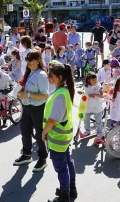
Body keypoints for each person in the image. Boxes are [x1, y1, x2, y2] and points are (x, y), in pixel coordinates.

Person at [42, 61, 77, 202]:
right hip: (64, 137)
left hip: (57, 139)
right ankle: (70, 189)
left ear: (60, 77)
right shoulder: (64, 90)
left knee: (61, 168)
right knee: (68, 162)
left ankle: (64, 196)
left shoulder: (60, 94)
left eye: (51, 75)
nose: (49, 77)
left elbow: (52, 120)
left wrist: (44, 133)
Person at [14, 50, 49, 172]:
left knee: (40, 135)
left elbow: (45, 96)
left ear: (38, 60)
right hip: (27, 108)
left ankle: (43, 158)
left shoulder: (42, 75)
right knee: (25, 131)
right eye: (27, 59)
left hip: (37, 109)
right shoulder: (29, 73)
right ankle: (27, 154)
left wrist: (28, 94)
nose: (28, 62)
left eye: (30, 59)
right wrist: (21, 92)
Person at [78, 72, 105, 145]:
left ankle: (100, 133)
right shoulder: (86, 86)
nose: (95, 81)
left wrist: (95, 94)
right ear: (88, 80)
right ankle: (87, 130)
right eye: (93, 80)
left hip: (97, 106)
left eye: (95, 80)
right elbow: (83, 90)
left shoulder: (98, 86)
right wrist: (81, 92)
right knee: (86, 119)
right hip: (87, 106)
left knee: (98, 121)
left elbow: (102, 95)